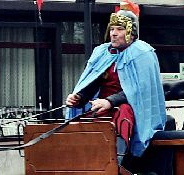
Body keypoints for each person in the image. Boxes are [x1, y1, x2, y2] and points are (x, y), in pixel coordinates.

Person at [65, 1, 166, 158]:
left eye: (119, 29)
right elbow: (93, 84)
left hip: (133, 108)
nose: (113, 33)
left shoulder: (142, 52)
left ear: (131, 33)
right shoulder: (102, 52)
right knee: (84, 121)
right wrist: (79, 97)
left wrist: (110, 101)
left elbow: (140, 90)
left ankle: (117, 158)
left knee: (124, 111)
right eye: (112, 29)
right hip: (103, 106)